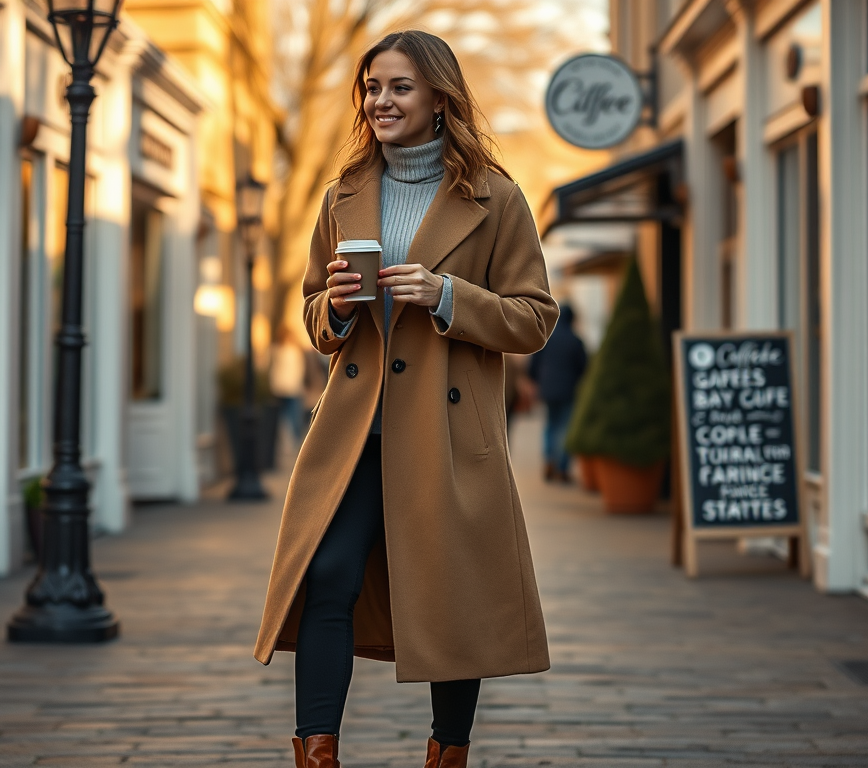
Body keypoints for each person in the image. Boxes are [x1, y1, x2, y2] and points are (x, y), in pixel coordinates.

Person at [253, 30, 559, 768]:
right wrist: (335, 307)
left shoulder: (496, 197)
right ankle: (315, 753)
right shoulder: (342, 194)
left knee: (452, 591)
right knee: (326, 576)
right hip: (356, 432)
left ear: (439, 100)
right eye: (371, 87)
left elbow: (535, 318)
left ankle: (447, 753)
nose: (380, 101)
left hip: (448, 433)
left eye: (399, 87)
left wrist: (447, 293)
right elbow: (309, 313)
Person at [528, 303, 588, 483]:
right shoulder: (576, 340)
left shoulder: (548, 338)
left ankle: (549, 460)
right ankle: (562, 467)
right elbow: (583, 367)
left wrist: (536, 380)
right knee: (564, 427)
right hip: (568, 390)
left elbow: (534, 362)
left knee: (550, 425)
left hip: (548, 389)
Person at [270, 325, 309, 444]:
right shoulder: (278, 350)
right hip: (284, 388)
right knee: (288, 417)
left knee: (292, 417)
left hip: (289, 388)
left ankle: (295, 441)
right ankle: (292, 442)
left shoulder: (290, 350)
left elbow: (299, 370)